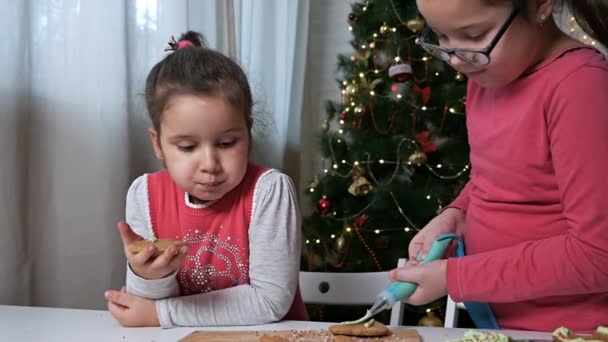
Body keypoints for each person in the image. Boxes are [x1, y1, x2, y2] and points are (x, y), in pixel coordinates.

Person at [389, 0, 608, 333]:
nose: (455, 59)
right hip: (502, 324)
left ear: (541, 6)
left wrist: (457, 277)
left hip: (573, 331)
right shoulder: (488, 73)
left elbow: (599, 253)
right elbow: (498, 175)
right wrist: (455, 213)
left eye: (474, 35)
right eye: (441, 37)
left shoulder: (579, 85)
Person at [104, 31, 308, 328]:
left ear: (248, 134)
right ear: (158, 144)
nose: (210, 165)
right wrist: (148, 275)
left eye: (226, 144)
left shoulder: (269, 191)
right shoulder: (144, 194)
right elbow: (145, 304)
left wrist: (163, 315)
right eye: (187, 147)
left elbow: (270, 300)